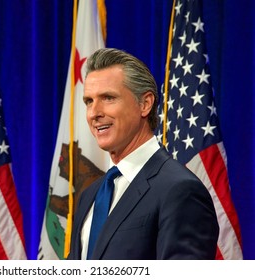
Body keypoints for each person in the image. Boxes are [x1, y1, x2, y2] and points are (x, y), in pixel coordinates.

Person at [67, 48, 219, 260]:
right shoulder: (90, 195)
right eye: (89, 101)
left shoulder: (180, 190)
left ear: (145, 104)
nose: (94, 113)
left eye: (108, 98)